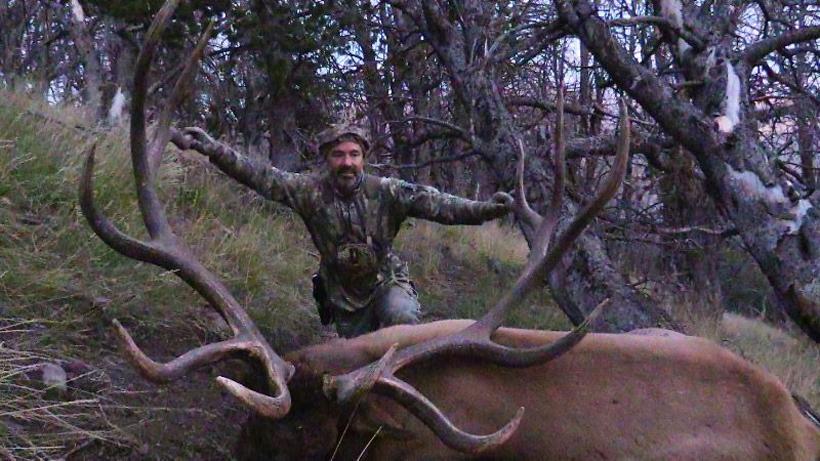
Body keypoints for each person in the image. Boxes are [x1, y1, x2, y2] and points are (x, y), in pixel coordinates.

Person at [174, 124, 513, 338]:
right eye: (338, 155)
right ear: (327, 159)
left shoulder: (387, 191)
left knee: (401, 321)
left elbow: (440, 205)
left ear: (364, 158)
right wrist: (213, 149)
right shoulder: (308, 191)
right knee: (356, 361)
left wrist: (485, 210)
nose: (347, 162)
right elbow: (261, 177)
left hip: (385, 282)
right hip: (343, 296)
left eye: (354, 154)